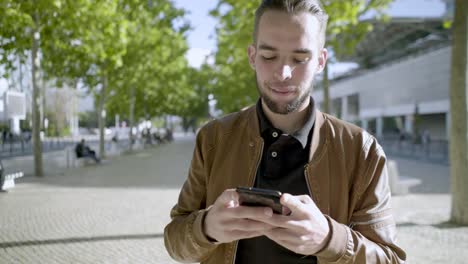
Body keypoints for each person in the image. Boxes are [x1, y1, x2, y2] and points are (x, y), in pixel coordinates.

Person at [164, 0, 406, 263]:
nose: (283, 73)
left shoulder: (361, 149)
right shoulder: (213, 138)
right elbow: (175, 241)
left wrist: (330, 239)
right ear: (252, 57)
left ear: (321, 61)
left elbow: (390, 259)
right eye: (269, 56)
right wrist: (206, 228)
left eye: (300, 59)